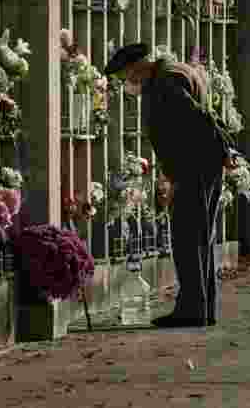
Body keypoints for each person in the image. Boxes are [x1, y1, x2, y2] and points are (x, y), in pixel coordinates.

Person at [103, 42, 232, 328]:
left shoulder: (165, 83)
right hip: (200, 164)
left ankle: (192, 310)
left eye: (125, 76)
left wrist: (222, 150)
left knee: (187, 238)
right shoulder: (175, 72)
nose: (127, 84)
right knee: (201, 238)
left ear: (137, 68)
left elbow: (198, 117)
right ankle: (202, 308)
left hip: (194, 166)